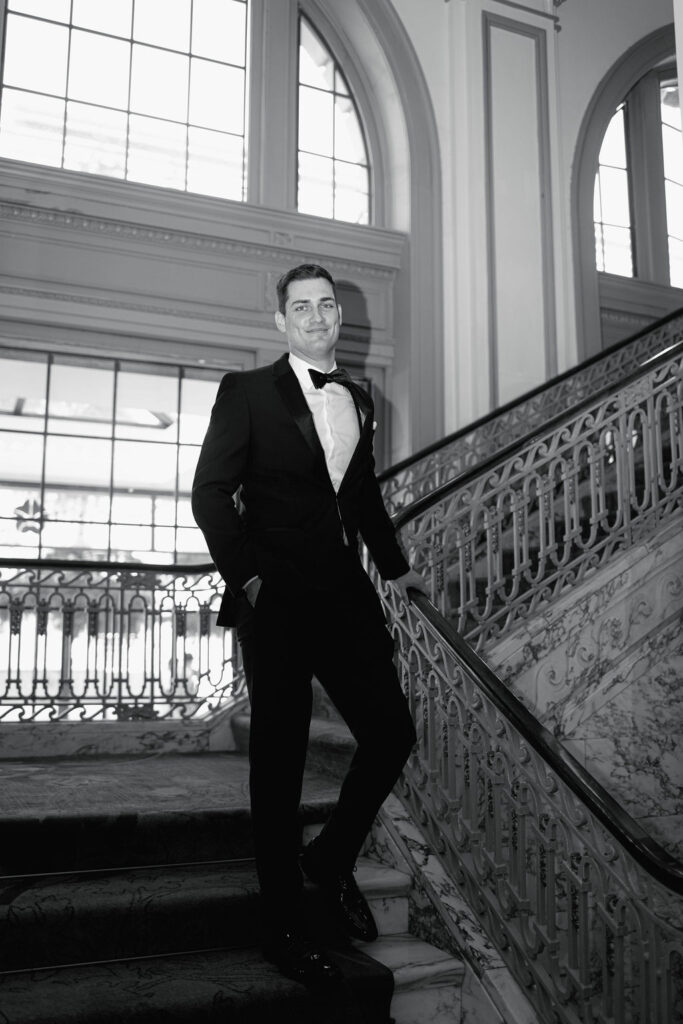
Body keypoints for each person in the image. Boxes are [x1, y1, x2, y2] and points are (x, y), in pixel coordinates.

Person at [192, 263, 426, 986]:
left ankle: (326, 857)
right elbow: (209, 491)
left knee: (390, 732)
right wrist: (250, 578)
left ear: (339, 317)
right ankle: (282, 926)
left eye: (327, 305)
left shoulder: (359, 395)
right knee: (279, 762)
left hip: (343, 598)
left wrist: (394, 569)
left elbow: (358, 497)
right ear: (281, 321)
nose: (317, 316)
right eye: (302, 307)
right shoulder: (247, 392)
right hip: (277, 602)